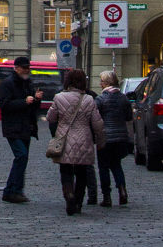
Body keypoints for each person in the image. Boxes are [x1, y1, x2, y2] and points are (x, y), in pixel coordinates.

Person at [46, 67, 105, 215]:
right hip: (84, 137)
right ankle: (78, 201)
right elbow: (97, 123)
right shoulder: (89, 99)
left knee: (65, 170)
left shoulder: (59, 97)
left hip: (65, 138)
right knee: (82, 172)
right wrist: (100, 140)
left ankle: (69, 195)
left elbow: (50, 118)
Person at [0, 55, 42, 203]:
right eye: (24, 68)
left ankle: (15, 190)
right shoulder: (7, 84)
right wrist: (24, 101)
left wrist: (36, 99)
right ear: (16, 68)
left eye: (28, 68)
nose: (27, 70)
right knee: (21, 156)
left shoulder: (27, 83)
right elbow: (5, 106)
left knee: (22, 159)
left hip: (26, 127)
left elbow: (32, 107)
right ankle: (11, 191)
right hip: (13, 127)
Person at [95, 71, 134, 207]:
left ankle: (107, 197)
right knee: (116, 164)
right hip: (120, 137)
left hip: (105, 138)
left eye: (101, 81)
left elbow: (95, 119)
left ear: (106, 83)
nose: (100, 84)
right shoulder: (124, 98)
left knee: (103, 167)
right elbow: (129, 117)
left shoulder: (100, 99)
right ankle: (122, 190)